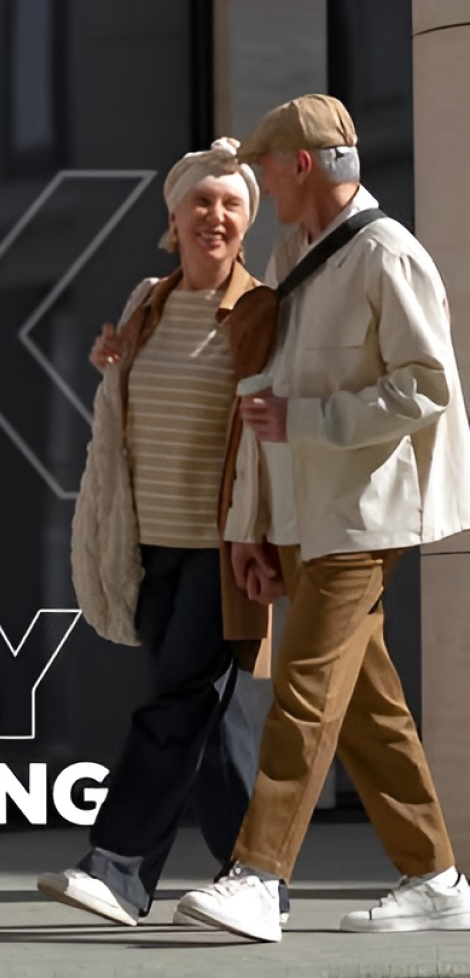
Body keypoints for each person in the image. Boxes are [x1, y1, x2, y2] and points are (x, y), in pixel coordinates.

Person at [175, 94, 470, 943]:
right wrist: (261, 523)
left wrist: (310, 421)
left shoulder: (389, 257)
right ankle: (437, 875)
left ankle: (259, 876)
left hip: (365, 517)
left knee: (302, 697)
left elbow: (426, 386)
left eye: (268, 170)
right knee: (372, 712)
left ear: (302, 166)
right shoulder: (301, 253)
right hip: (311, 519)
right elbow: (267, 402)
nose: (263, 185)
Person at [37, 138, 281, 926]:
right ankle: (259, 875)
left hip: (227, 548)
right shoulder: (148, 297)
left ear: (249, 222)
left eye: (231, 205)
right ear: (173, 218)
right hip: (151, 545)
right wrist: (114, 358)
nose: (215, 216)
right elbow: (130, 402)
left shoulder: (261, 309)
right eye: (200, 203)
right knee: (217, 722)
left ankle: (117, 871)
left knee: (176, 703)